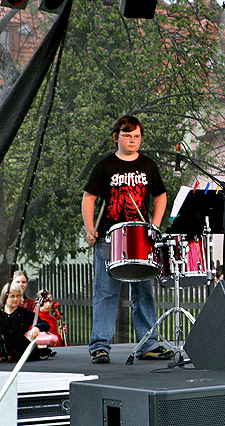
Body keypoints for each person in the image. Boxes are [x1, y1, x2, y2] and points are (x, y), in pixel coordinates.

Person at [81, 115, 172, 364]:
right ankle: (100, 346)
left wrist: (154, 225)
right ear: (116, 137)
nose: (132, 140)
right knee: (105, 292)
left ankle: (148, 343)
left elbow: (160, 196)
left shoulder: (148, 165)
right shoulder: (105, 166)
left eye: (136, 136)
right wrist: (90, 229)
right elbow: (89, 197)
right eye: (127, 135)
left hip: (141, 236)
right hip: (110, 237)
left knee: (144, 290)